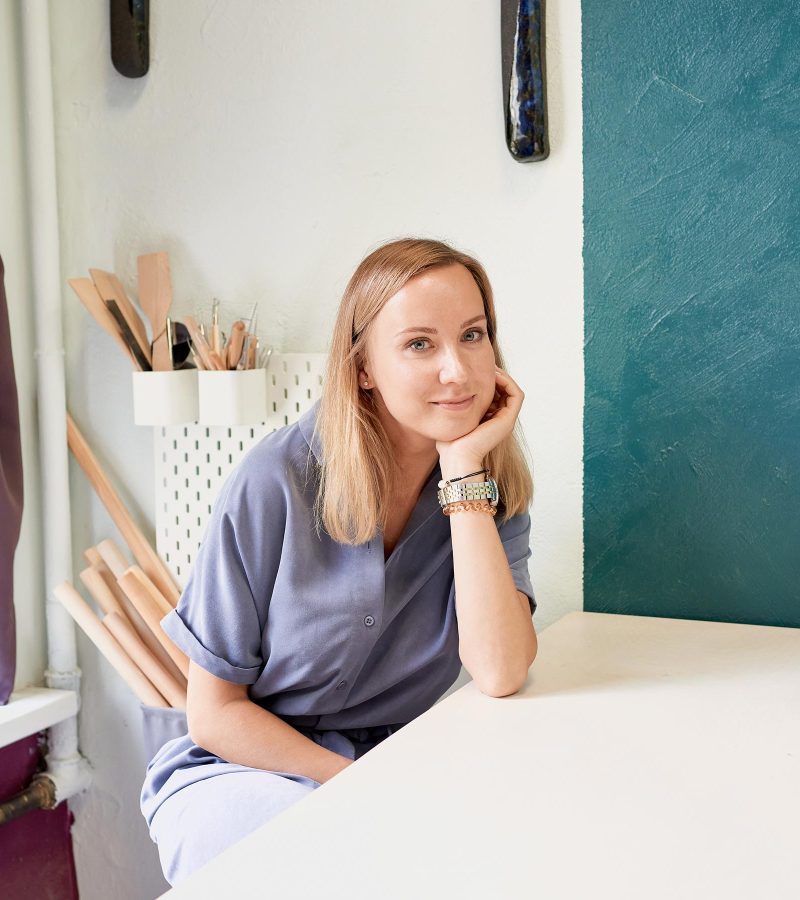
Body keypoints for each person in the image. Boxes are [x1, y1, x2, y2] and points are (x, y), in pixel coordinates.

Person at [140, 237, 538, 885]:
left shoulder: (488, 485)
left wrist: (462, 472)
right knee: (317, 860)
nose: (458, 371)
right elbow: (213, 715)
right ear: (362, 368)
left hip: (404, 766)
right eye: (419, 344)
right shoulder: (277, 480)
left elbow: (499, 669)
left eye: (473, 335)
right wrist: (358, 786)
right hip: (245, 773)